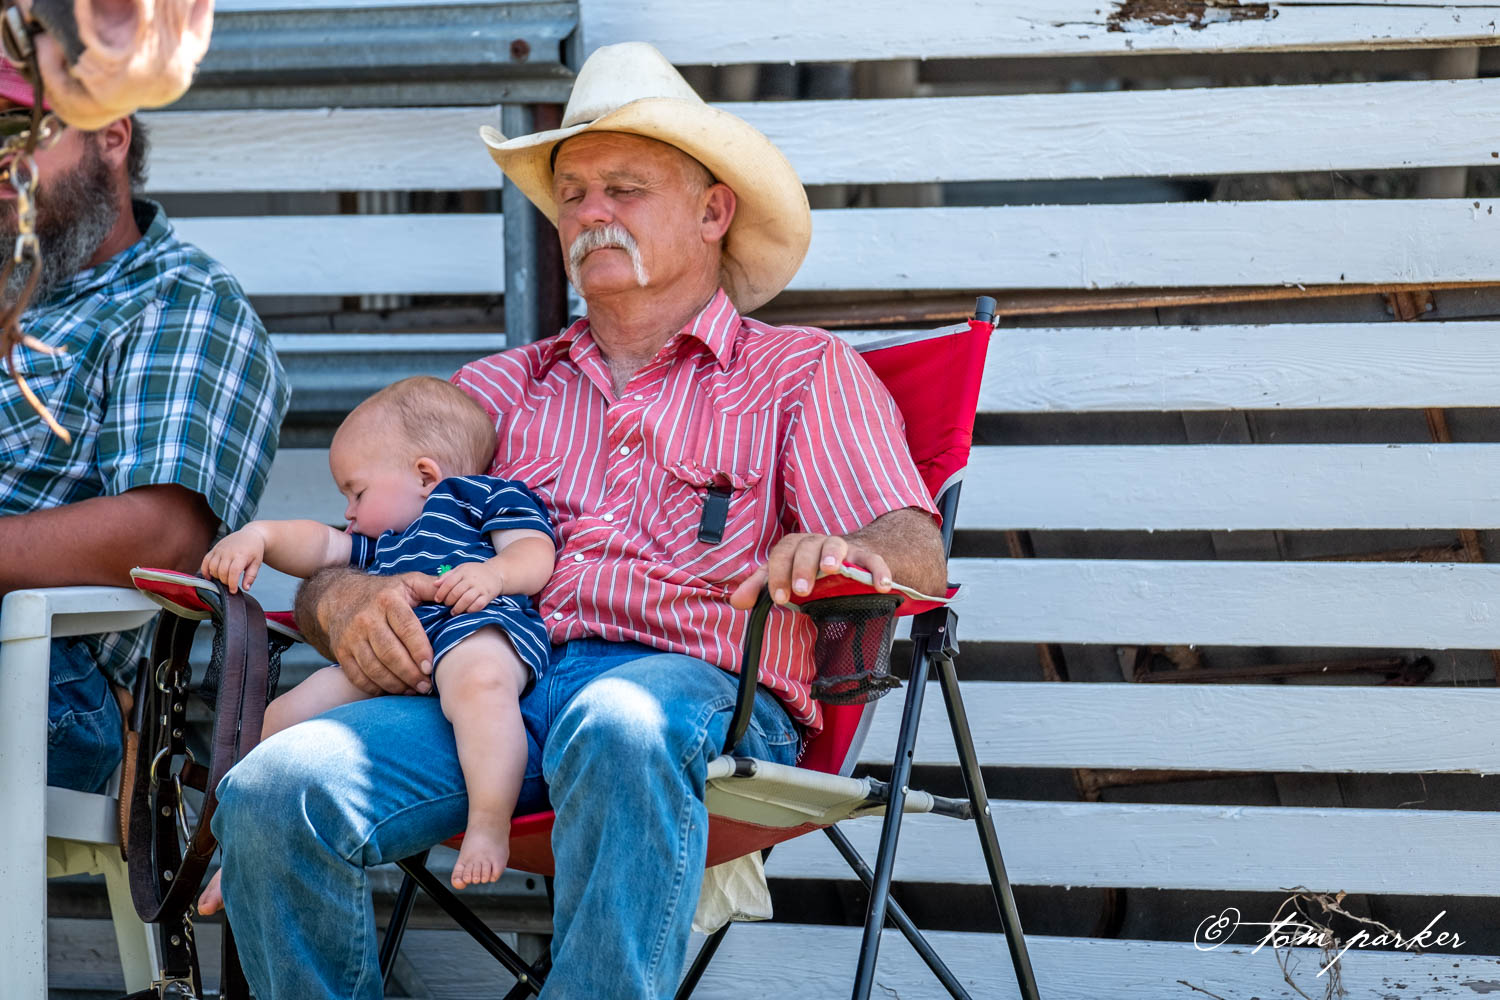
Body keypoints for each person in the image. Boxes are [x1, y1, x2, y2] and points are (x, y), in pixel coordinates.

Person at [210, 41, 945, 999]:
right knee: (274, 788)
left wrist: (838, 548)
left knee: (617, 720)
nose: (592, 213)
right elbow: (353, 552)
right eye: (573, 195)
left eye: (625, 189)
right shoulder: (492, 394)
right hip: (491, 695)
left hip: (695, 699)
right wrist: (344, 602)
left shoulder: (801, 373)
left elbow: (915, 549)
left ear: (713, 212)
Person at [0, 60, 287, 794]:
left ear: (111, 137)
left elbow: (164, 537)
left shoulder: (181, 301)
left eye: (21, 131)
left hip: (46, 680)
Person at [200, 375, 556, 891]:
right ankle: (240, 845)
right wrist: (260, 535)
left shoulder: (479, 497)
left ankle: (489, 821)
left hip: (474, 624)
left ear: (425, 475)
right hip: (392, 652)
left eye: (356, 491)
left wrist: (494, 576)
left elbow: (534, 552)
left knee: (482, 686)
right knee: (282, 714)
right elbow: (320, 545)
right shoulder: (382, 543)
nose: (347, 511)